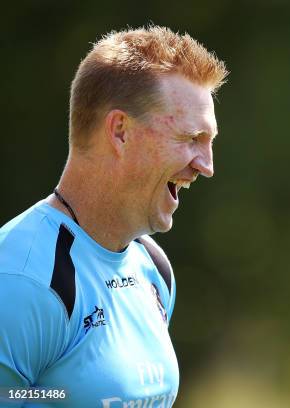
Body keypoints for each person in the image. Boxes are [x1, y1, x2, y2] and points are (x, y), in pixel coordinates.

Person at [0, 26, 227, 407]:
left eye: (210, 142)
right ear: (120, 131)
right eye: (191, 138)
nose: (206, 166)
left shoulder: (153, 267)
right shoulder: (21, 280)